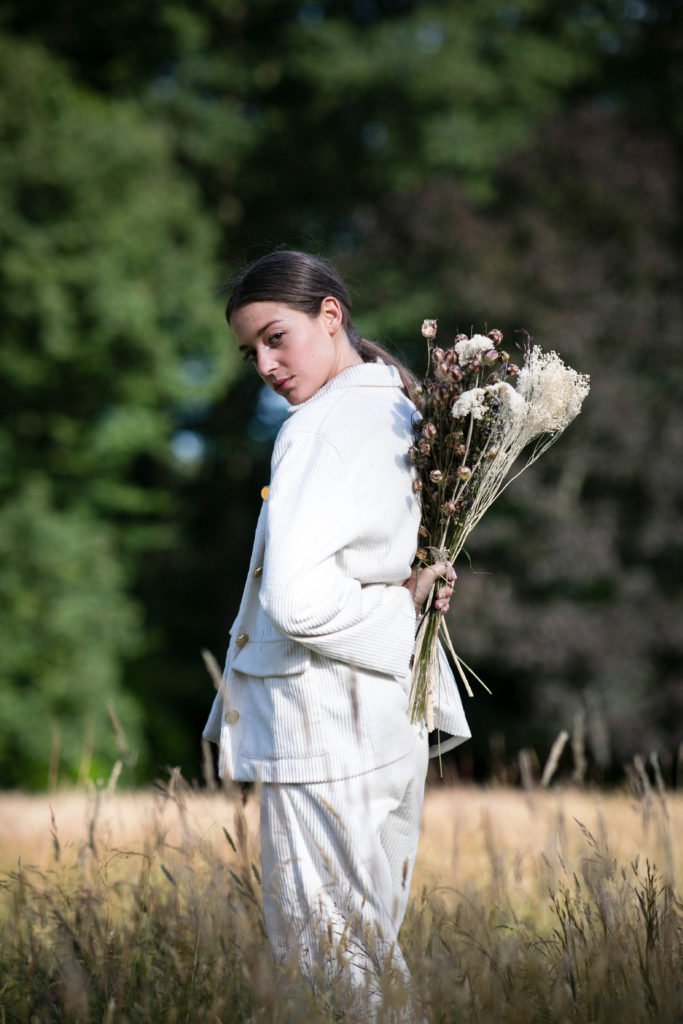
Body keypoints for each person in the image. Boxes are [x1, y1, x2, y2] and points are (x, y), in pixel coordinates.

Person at [203, 251, 470, 1016]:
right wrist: (410, 600)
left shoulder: (321, 426)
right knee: (366, 956)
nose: (263, 364)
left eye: (276, 337)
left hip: (323, 727)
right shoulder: (400, 408)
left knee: (332, 971)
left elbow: (297, 603)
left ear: (330, 314)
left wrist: (402, 611)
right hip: (388, 724)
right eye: (250, 350)